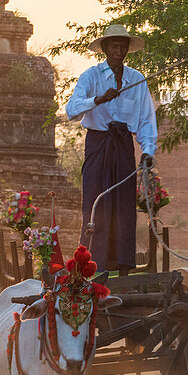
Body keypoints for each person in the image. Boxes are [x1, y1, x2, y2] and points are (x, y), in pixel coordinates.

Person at [65, 24, 158, 276]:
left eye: (123, 47)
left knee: (124, 207)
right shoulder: (91, 77)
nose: (119, 51)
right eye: (114, 46)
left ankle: (124, 267)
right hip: (98, 145)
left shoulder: (136, 80)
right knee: (96, 204)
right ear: (105, 49)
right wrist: (97, 99)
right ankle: (94, 265)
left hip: (123, 146)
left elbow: (146, 119)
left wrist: (148, 149)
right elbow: (71, 110)